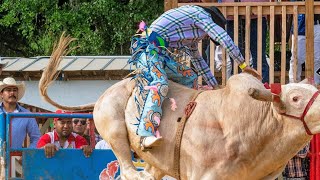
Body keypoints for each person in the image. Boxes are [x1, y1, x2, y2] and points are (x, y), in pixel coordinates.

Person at [129, 5, 261, 149]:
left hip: (161, 55)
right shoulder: (200, 15)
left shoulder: (190, 34)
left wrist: (215, 87)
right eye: (207, 35)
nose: (205, 37)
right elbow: (223, 38)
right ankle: (145, 134)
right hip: (146, 51)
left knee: (190, 77)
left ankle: (184, 122)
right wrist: (243, 65)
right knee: (160, 83)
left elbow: (199, 62)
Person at [217, 0, 270, 83]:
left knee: (259, 56)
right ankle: (237, 87)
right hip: (231, 14)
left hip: (257, 12)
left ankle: (262, 87)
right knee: (235, 58)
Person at [0, 77, 40, 148]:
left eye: (15, 90)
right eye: (8, 90)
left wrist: (26, 154)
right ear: (1, 94)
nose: (12, 92)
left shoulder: (27, 115)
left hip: (16, 157)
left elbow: (36, 138)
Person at [289, 11, 320, 85]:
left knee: (317, 58)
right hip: (300, 25)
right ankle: (294, 84)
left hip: (317, 24)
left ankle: (316, 84)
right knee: (297, 58)